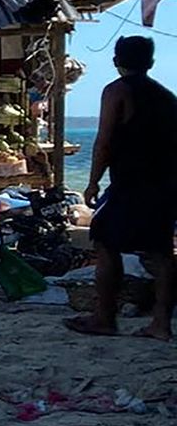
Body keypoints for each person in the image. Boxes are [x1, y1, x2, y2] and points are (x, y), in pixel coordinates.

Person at [68, 36, 177, 339]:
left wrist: (92, 182)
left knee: (104, 242)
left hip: (131, 183)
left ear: (117, 62)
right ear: (151, 63)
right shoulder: (166, 97)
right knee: (162, 252)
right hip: (166, 183)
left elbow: (103, 142)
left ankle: (104, 317)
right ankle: (161, 323)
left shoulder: (117, 91)